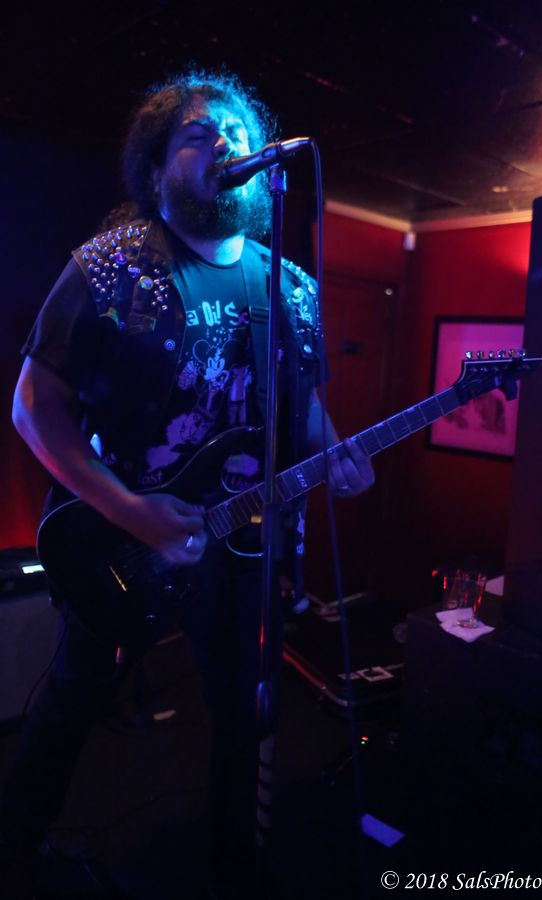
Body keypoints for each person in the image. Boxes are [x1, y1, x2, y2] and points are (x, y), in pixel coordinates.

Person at [0, 69, 374, 899]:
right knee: (73, 699)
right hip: (120, 540)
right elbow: (33, 407)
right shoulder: (111, 267)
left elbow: (305, 409)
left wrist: (341, 454)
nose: (225, 144)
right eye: (199, 135)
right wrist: (132, 511)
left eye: (238, 132)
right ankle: (12, 852)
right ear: (157, 165)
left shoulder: (292, 290)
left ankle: (233, 868)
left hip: (240, 541)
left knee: (245, 708)